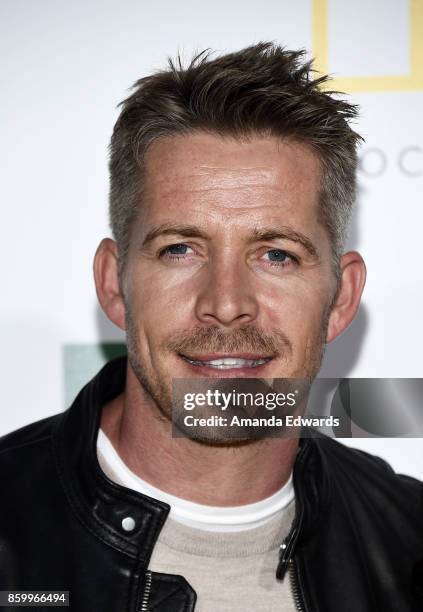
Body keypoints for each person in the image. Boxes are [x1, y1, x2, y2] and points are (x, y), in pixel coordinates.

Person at [0, 42, 422, 612]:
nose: (226, 304)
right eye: (180, 249)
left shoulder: (408, 540)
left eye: (276, 255)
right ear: (113, 284)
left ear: (341, 298)